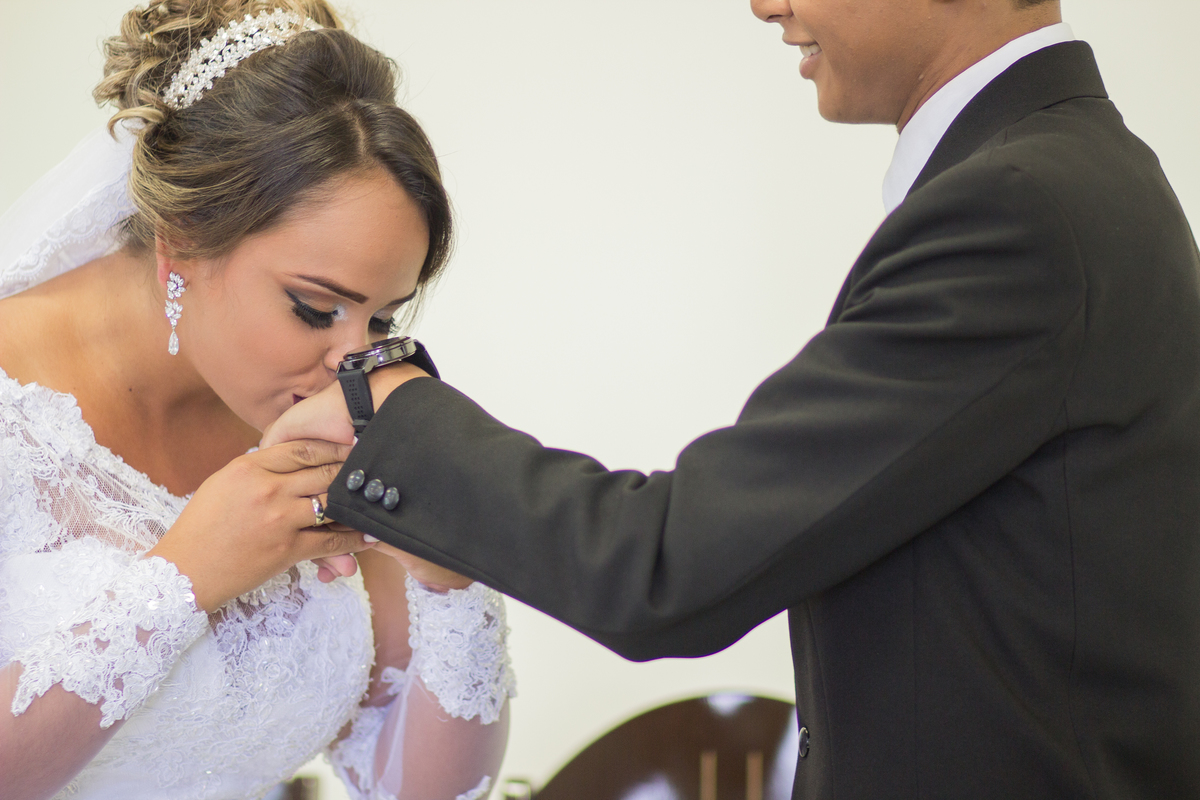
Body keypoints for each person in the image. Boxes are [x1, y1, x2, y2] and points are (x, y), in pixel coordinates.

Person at [264, 0, 1200, 797]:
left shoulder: (1020, 208)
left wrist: (395, 414)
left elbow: (662, 572)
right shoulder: (1079, 179)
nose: (762, 3)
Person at [0, 2, 515, 799]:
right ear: (184, 237)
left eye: (380, 319)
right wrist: (185, 576)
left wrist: (449, 573)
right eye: (314, 308)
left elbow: (418, 788)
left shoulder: (327, 419)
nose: (354, 360)